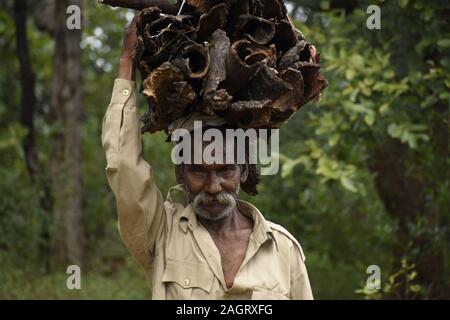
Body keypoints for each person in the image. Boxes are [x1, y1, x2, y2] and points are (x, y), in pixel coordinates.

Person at [101, 15, 313, 300]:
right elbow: (124, 166)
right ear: (180, 173)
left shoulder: (283, 249)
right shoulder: (161, 234)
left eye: (225, 170)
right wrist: (126, 62)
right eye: (199, 171)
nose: (213, 187)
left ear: (245, 170)